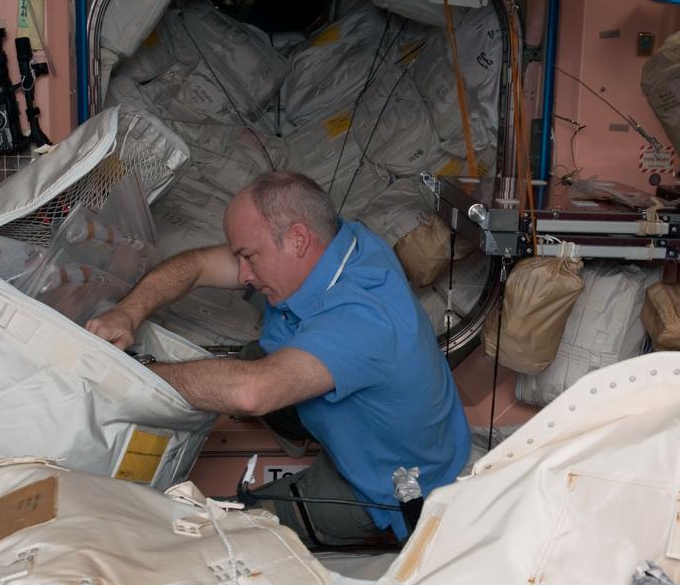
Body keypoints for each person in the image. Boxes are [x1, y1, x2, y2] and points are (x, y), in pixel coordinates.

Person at [86, 171, 470, 546]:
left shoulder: (363, 319)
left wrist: (135, 372)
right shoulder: (342, 241)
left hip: (384, 484)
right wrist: (128, 312)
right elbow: (199, 264)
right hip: (386, 427)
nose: (245, 274)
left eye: (250, 256)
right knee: (252, 358)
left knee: (230, 528)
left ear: (298, 239)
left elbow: (250, 393)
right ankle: (297, 430)